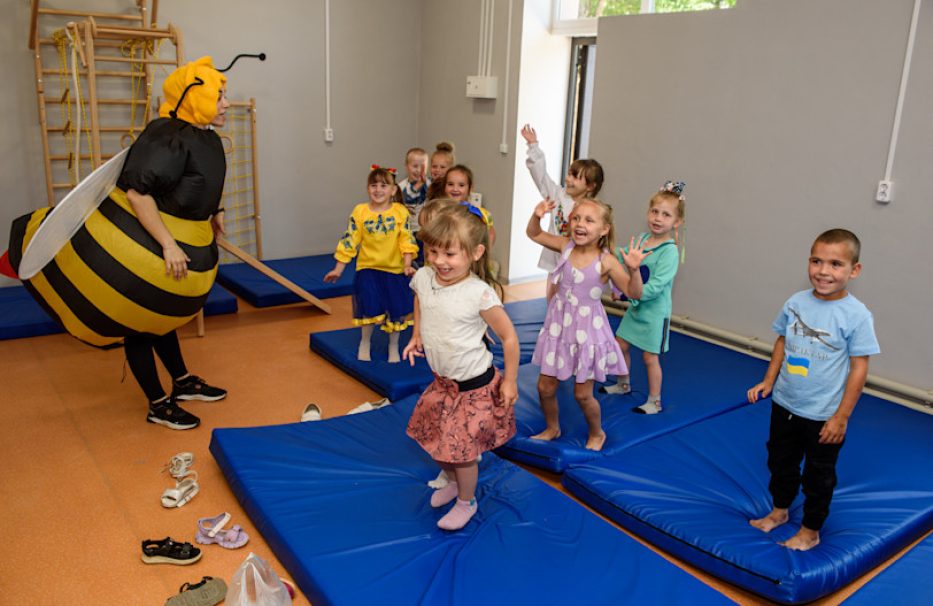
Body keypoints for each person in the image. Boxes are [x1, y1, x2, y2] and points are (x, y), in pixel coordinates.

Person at [3, 56, 236, 430]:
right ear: (195, 96)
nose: (226, 103)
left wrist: (216, 210)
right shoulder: (166, 136)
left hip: (183, 239)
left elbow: (202, 179)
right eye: (219, 96)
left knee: (161, 317)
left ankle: (181, 382)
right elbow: (138, 194)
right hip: (144, 247)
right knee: (140, 323)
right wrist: (168, 245)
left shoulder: (204, 136)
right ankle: (157, 404)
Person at [747, 228, 879, 551]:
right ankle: (779, 510)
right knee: (780, 462)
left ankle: (810, 531)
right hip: (785, 404)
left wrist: (841, 417)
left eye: (835, 264)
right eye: (816, 261)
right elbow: (783, 341)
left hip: (823, 414)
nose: (823, 271)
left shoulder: (857, 315)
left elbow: (859, 368)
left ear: (854, 270)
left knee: (818, 476)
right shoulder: (796, 302)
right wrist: (768, 380)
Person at [404, 203, 519, 530]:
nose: (439, 261)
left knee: (462, 453)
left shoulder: (478, 294)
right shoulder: (424, 277)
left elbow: (509, 337)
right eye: (433, 251)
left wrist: (510, 381)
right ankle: (454, 482)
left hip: (474, 388)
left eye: (450, 254)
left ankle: (467, 501)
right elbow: (419, 297)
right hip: (443, 384)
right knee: (434, 442)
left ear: (475, 253)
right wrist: (416, 333)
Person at [527, 198, 649, 451]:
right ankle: (552, 427)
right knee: (545, 387)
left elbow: (634, 293)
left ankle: (597, 433)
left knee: (582, 394)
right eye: (576, 218)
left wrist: (634, 270)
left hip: (587, 332)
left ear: (604, 229)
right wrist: (537, 216)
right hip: (559, 328)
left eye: (589, 220)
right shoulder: (565, 246)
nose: (580, 224)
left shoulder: (606, 261)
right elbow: (534, 234)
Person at [601, 181, 685, 415]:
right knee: (620, 345)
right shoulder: (642, 239)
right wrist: (606, 251)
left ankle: (655, 401)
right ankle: (623, 383)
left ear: (676, 222)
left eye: (666, 215)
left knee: (650, 357)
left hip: (655, 314)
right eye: (654, 211)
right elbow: (623, 256)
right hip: (636, 308)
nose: (658, 218)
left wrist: (628, 293)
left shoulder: (669, 252)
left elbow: (655, 287)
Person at [324, 166, 418, 363]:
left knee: (395, 310)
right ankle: (365, 342)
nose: (378, 189)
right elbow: (350, 240)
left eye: (384, 185)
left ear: (393, 190)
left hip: (394, 270)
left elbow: (406, 240)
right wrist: (338, 269)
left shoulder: (399, 212)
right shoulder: (360, 211)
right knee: (368, 306)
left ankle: (393, 345)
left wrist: (407, 265)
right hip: (368, 269)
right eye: (373, 185)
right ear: (368, 188)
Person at [520, 124, 604, 300]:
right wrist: (533, 146)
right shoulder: (557, 195)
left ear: (590, 186)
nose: (568, 179)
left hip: (577, 263)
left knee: (573, 299)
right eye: (569, 174)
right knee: (552, 299)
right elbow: (540, 176)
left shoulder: (591, 209)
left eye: (575, 177)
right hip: (555, 259)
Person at [442, 165, 496, 247]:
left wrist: (484, 251)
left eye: (461, 185)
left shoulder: (477, 213)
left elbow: (490, 233)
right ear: (444, 187)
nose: (455, 189)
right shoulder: (439, 209)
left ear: (470, 188)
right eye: (450, 184)